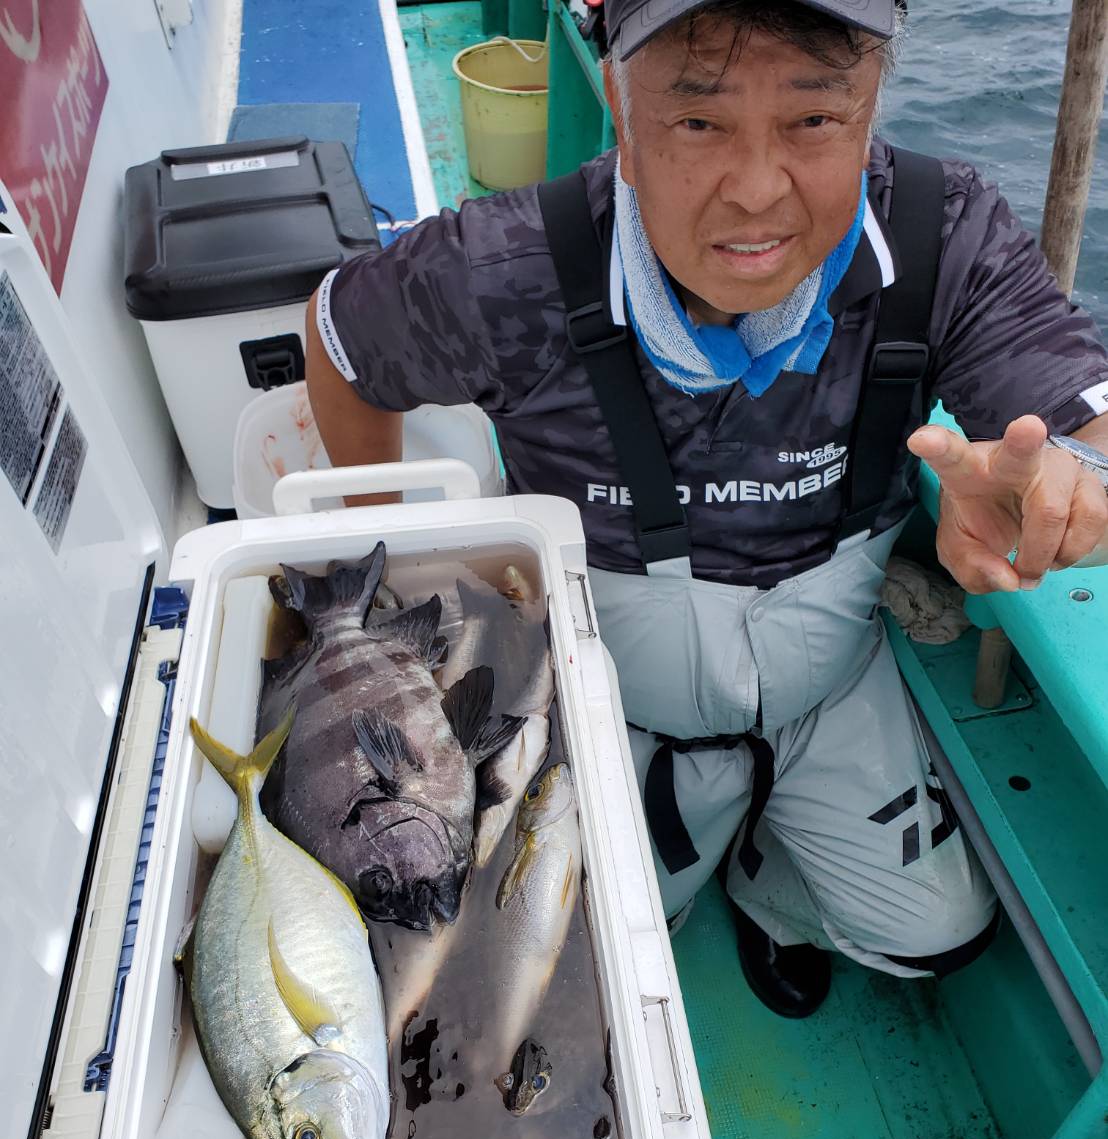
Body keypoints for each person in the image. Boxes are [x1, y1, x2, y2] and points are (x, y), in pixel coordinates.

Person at [304, 0, 1108, 1018]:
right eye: (697, 119)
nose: (757, 189)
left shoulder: (943, 232)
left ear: (871, 105)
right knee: (551, 954)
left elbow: (1085, 429)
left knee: (939, 931)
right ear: (619, 106)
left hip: (832, 686)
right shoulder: (501, 271)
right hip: (607, 702)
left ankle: (770, 890)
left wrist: (1064, 490)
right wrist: (384, 572)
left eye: (814, 119)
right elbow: (339, 341)